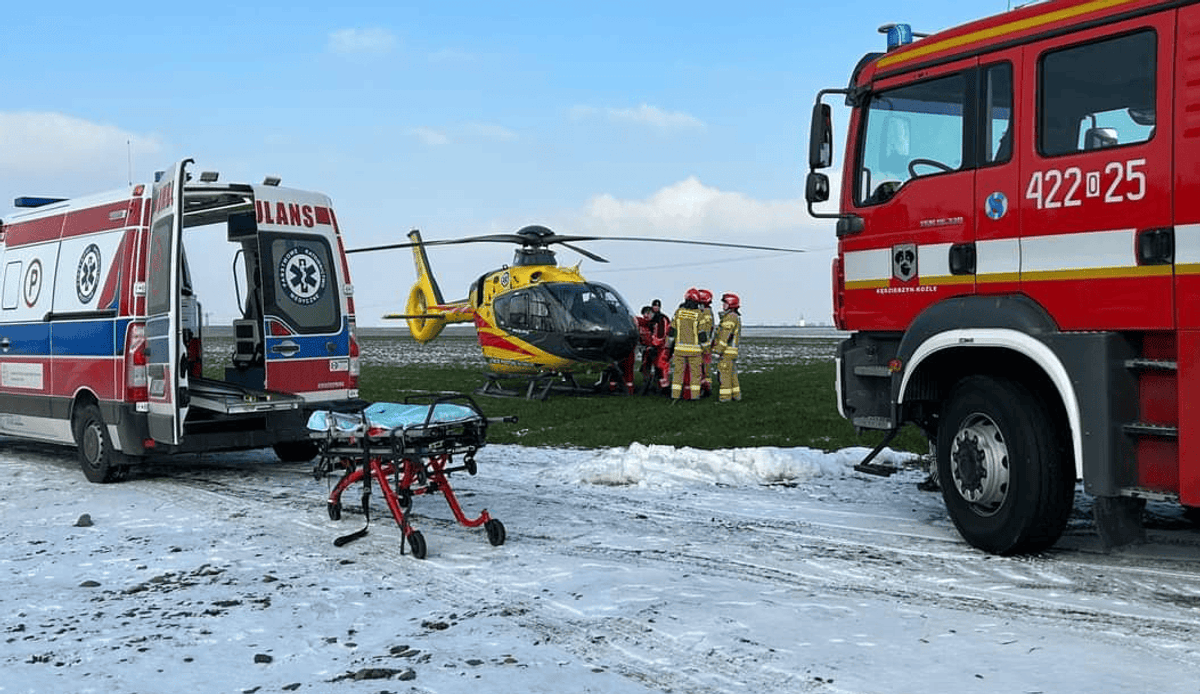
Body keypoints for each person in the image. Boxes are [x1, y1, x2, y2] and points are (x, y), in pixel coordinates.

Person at [668, 288, 706, 401]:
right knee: (695, 375)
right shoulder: (699, 314)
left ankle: (675, 396)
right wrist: (705, 348)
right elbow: (702, 334)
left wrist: (669, 346)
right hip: (694, 351)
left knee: (678, 374)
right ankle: (695, 397)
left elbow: (671, 331)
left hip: (679, 350)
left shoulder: (679, 312)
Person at [713, 292, 742, 402]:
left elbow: (725, 336)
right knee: (732, 374)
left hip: (727, 352)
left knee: (724, 375)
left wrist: (718, 350)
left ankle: (725, 398)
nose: (723, 306)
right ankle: (736, 395)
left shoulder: (730, 317)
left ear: (731, 304)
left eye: (725, 303)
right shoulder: (735, 317)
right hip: (732, 351)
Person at [695, 289, 715, 397]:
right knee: (706, 368)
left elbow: (703, 331)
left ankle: (703, 389)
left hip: (703, 345)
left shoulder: (704, 313)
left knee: (701, 368)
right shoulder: (709, 311)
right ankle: (707, 387)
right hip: (707, 345)